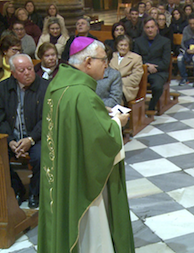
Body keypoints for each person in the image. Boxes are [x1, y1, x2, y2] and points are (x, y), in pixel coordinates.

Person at [37, 36, 134, 252]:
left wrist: (100, 111)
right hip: (84, 181)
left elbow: (77, 125)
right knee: (91, 231)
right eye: (103, 60)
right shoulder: (82, 94)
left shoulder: (58, 85)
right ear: (88, 62)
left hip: (65, 172)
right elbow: (103, 138)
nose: (107, 65)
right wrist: (118, 122)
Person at [0, 54, 49, 208]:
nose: (28, 73)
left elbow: (48, 118)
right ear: (13, 73)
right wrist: (10, 142)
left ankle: (35, 192)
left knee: (41, 157)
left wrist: (30, 139)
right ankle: (17, 188)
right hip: (11, 139)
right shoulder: (2, 88)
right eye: (22, 70)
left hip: (37, 138)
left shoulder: (46, 87)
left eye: (30, 68)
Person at [134, 17, 171, 111]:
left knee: (157, 87)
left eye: (152, 27)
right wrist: (146, 66)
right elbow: (135, 59)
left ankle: (151, 107)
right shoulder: (138, 41)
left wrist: (154, 68)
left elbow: (166, 62)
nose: (150, 30)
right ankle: (135, 108)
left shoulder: (165, 41)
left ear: (156, 28)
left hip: (158, 72)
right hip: (142, 71)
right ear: (144, 29)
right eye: (147, 27)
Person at [109, 35, 143, 103]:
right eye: (121, 45)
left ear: (129, 46)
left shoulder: (136, 58)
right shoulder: (111, 56)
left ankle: (118, 113)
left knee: (116, 96)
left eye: (125, 45)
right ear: (117, 46)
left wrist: (116, 82)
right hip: (109, 86)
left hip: (126, 88)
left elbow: (135, 78)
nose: (123, 47)